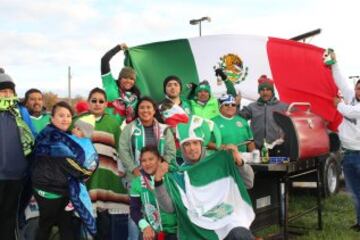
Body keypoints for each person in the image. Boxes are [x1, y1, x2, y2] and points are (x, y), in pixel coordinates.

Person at [154, 117, 255, 240]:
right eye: (187, 144)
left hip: (226, 222)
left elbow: (248, 183)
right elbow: (169, 208)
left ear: (202, 145)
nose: (192, 148)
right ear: (182, 148)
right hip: (196, 228)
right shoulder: (178, 175)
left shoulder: (218, 164)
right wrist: (158, 181)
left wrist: (239, 162)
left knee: (240, 234)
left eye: (195, 143)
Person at [31, 101, 98, 240]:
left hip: (63, 188)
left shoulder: (66, 135)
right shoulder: (51, 136)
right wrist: (86, 172)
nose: (65, 119)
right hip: (48, 189)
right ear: (52, 118)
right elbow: (68, 162)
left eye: (68, 116)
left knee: (66, 225)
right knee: (46, 225)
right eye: (61, 115)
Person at [119, 96, 176, 239]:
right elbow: (123, 149)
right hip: (137, 176)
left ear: (154, 110)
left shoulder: (164, 129)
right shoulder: (130, 128)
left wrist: (164, 165)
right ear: (137, 110)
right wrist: (133, 168)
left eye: (148, 107)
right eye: (142, 107)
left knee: (162, 207)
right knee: (136, 213)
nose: (145, 110)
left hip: (160, 177)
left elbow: (171, 150)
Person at [85, 87, 129, 240]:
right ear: (88, 103)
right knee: (90, 216)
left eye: (101, 101)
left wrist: (123, 168)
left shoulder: (112, 122)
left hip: (108, 174)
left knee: (107, 218)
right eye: (94, 101)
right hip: (87, 177)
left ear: (106, 104)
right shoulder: (80, 121)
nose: (97, 104)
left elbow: (121, 147)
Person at [0, 68, 35, 240]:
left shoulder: (21, 112)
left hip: (16, 174)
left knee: (9, 216)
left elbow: (32, 136)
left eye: (9, 91)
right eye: (2, 90)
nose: (6, 94)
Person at [330, 52, 360, 231]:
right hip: (348, 155)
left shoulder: (351, 106)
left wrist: (338, 105)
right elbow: (340, 80)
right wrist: (334, 63)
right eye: (358, 88)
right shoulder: (350, 97)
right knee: (355, 193)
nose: (358, 91)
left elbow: (350, 112)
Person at [130, 146, 177, 240]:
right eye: (143, 160)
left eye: (151, 159)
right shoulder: (137, 182)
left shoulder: (171, 176)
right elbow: (134, 210)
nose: (147, 163)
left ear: (159, 160)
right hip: (152, 231)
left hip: (176, 230)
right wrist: (145, 226)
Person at [239, 75, 288, 156]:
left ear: (272, 91)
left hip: (277, 148)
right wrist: (236, 104)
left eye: (268, 90)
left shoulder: (283, 107)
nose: (265, 93)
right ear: (259, 92)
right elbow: (238, 118)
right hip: (257, 149)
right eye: (262, 90)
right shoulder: (252, 107)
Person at [101, 43, 140, 124]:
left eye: (132, 79)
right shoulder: (110, 83)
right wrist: (118, 48)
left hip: (119, 132)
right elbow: (104, 60)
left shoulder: (135, 97)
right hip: (102, 125)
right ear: (120, 78)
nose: (128, 81)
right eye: (125, 77)